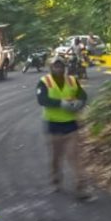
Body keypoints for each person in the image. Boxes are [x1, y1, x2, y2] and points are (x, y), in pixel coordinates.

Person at [35, 58, 90, 199]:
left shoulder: (72, 81)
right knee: (56, 156)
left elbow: (83, 95)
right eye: (56, 66)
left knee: (74, 156)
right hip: (54, 125)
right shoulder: (44, 82)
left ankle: (80, 186)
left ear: (65, 68)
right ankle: (56, 180)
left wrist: (79, 104)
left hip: (71, 124)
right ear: (51, 68)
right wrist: (60, 103)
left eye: (61, 66)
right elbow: (42, 100)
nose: (59, 69)